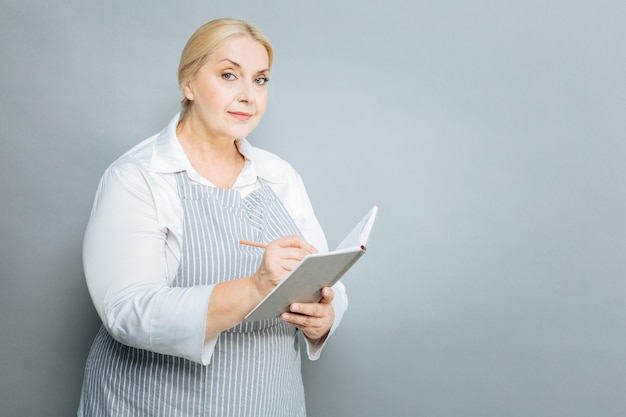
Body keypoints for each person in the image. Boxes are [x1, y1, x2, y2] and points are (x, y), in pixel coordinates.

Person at [77, 18, 348, 417]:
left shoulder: (279, 176)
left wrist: (325, 315)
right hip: (157, 404)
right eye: (228, 75)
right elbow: (127, 312)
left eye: (260, 80)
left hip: (271, 402)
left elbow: (325, 278)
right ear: (188, 84)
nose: (248, 96)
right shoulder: (137, 177)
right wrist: (256, 287)